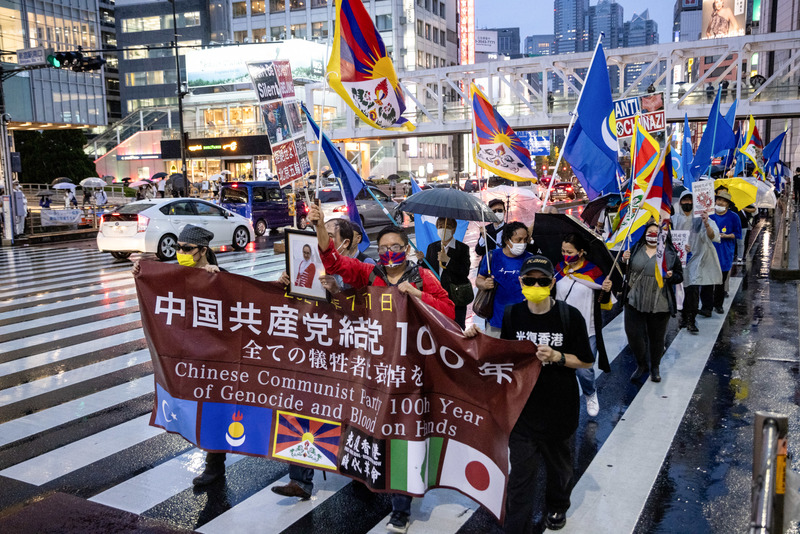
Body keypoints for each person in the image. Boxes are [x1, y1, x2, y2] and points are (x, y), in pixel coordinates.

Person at [306, 202, 454, 533]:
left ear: (406, 249)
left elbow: (449, 310)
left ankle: (400, 507)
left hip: (407, 371)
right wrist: (318, 226)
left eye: (395, 247)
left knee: (404, 434)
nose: (389, 252)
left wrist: (418, 295)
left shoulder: (423, 276)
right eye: (383, 247)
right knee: (371, 427)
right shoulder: (369, 274)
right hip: (372, 367)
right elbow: (333, 261)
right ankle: (369, 479)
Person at [465, 255, 594, 533]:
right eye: (530, 280)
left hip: (560, 409)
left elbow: (586, 360)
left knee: (560, 468)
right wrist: (477, 341)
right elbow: (505, 355)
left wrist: (558, 356)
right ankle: (516, 527)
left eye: (543, 280)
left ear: (552, 283)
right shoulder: (512, 314)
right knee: (521, 475)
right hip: (523, 409)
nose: (536, 284)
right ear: (521, 282)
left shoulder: (569, 316)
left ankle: (557, 506)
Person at [132, 225, 226, 486]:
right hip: (187, 355)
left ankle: (214, 465)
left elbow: (240, 300)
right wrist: (141, 274)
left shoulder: (218, 275)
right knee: (195, 407)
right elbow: (154, 289)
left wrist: (217, 279)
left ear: (203, 251)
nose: (180, 252)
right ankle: (212, 461)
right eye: (177, 247)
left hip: (214, 357)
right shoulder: (174, 274)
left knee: (213, 409)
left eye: (186, 248)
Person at [554, 233, 613, 418]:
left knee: (584, 370)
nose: (565, 255)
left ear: (581, 252)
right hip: (562, 329)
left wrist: (606, 289)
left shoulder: (594, 272)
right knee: (561, 369)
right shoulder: (558, 269)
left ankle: (590, 393)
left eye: (569, 252)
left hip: (587, 329)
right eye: (563, 251)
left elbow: (605, 302)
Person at [621, 222, 683, 382]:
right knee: (634, 335)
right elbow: (623, 272)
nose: (653, 235)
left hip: (659, 302)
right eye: (650, 232)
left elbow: (679, 276)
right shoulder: (634, 249)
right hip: (635, 300)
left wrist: (671, 276)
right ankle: (641, 364)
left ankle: (655, 367)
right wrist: (623, 260)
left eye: (657, 232)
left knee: (657, 338)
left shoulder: (670, 253)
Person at [672, 191, 722, 331]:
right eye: (684, 200)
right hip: (679, 260)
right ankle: (683, 316)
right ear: (680, 202)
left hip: (697, 259)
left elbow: (714, 236)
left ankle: (691, 320)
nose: (687, 203)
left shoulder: (702, 218)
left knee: (692, 289)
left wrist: (706, 224)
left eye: (690, 200)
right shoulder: (674, 219)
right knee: (681, 290)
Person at [475, 222, 534, 338]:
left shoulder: (530, 260)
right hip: (496, 321)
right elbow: (479, 280)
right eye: (518, 240)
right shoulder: (493, 256)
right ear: (507, 240)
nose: (522, 243)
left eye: (525, 240)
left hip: (523, 320)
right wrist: (484, 284)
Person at [417, 217, 472, 329]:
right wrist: (422, 260)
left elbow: (464, 271)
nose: (444, 229)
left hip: (455, 296)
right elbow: (427, 271)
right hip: (436, 296)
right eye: (441, 226)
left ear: (454, 229)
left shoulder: (462, 248)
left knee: (457, 328)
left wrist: (448, 260)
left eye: (448, 226)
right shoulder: (432, 247)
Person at [709, 190, 741, 314]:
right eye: (719, 200)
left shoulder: (734, 217)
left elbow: (737, 234)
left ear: (728, 204)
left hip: (724, 254)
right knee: (708, 281)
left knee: (720, 282)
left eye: (724, 201)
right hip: (710, 252)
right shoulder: (709, 215)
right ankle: (707, 305)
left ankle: (718, 304)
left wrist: (726, 236)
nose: (720, 202)